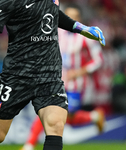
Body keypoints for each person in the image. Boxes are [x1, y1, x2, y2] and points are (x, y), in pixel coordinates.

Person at [0, 0, 105, 150]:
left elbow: (52, 14)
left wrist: (81, 28)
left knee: (56, 125)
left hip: (49, 75)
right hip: (17, 76)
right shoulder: (9, 2)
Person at [20, 3, 105, 150]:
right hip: (56, 79)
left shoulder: (86, 37)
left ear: (79, 18)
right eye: (69, 15)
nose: (71, 18)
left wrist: (80, 72)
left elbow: (98, 60)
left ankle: (94, 116)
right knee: (48, 108)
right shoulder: (58, 32)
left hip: (76, 83)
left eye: (75, 16)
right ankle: (29, 145)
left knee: (67, 116)